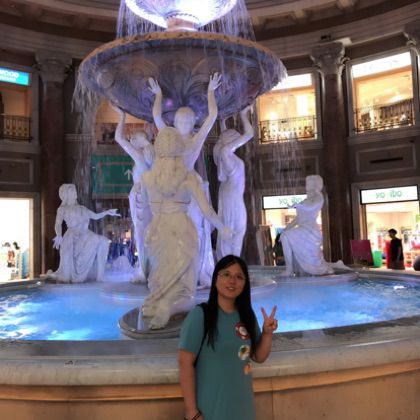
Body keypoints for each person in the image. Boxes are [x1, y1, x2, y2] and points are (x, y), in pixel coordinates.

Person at [139, 127, 231, 329]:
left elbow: (143, 209)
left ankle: (155, 302)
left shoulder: (146, 178)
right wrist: (222, 228)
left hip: (156, 233)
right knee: (187, 293)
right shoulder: (189, 178)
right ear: (180, 149)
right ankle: (170, 307)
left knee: (160, 281)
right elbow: (207, 211)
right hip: (182, 231)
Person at [179, 255, 278, 420]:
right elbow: (185, 363)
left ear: (244, 284)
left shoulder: (247, 316)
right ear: (215, 279)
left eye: (239, 277)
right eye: (226, 274)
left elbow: (258, 356)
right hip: (211, 412)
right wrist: (192, 412)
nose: (232, 281)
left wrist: (267, 333)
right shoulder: (200, 316)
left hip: (244, 411)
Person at [148, 73, 221, 287]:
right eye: (180, 119)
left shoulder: (196, 140)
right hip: (172, 188)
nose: (184, 123)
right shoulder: (169, 137)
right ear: (175, 121)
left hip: (190, 187)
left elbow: (212, 117)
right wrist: (158, 95)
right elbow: (157, 117)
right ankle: (174, 272)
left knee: (194, 230)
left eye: (188, 120)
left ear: (193, 122)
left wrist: (210, 91)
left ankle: (194, 272)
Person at [113, 105, 154, 282]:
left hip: (140, 196)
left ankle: (144, 270)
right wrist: (150, 122)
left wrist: (122, 116)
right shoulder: (151, 151)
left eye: (132, 138)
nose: (130, 141)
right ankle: (150, 267)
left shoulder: (139, 154)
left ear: (138, 139)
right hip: (151, 195)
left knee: (141, 232)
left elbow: (119, 138)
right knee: (150, 231)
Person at [50, 184, 120, 283]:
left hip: (86, 235)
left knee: (104, 241)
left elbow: (95, 216)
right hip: (72, 237)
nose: (75, 192)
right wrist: (58, 235)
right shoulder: (62, 209)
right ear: (66, 195)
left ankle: (100, 277)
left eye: (75, 190)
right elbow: (58, 224)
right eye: (72, 191)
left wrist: (107, 212)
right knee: (65, 278)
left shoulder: (82, 208)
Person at [213, 106, 253, 259]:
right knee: (236, 233)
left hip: (228, 197)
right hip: (233, 200)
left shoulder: (223, 159)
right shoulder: (226, 155)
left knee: (231, 232)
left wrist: (222, 123)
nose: (238, 142)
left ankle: (228, 263)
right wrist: (243, 115)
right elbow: (249, 134)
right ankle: (231, 265)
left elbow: (223, 142)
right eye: (236, 139)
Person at [280, 175, 333, 276]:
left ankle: (289, 270)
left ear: (315, 184)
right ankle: (290, 269)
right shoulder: (305, 200)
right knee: (285, 236)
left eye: (309, 182)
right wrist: (287, 228)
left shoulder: (319, 197)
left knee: (286, 236)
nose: (306, 185)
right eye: (307, 182)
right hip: (302, 228)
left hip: (310, 230)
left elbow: (311, 208)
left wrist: (298, 205)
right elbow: (298, 218)